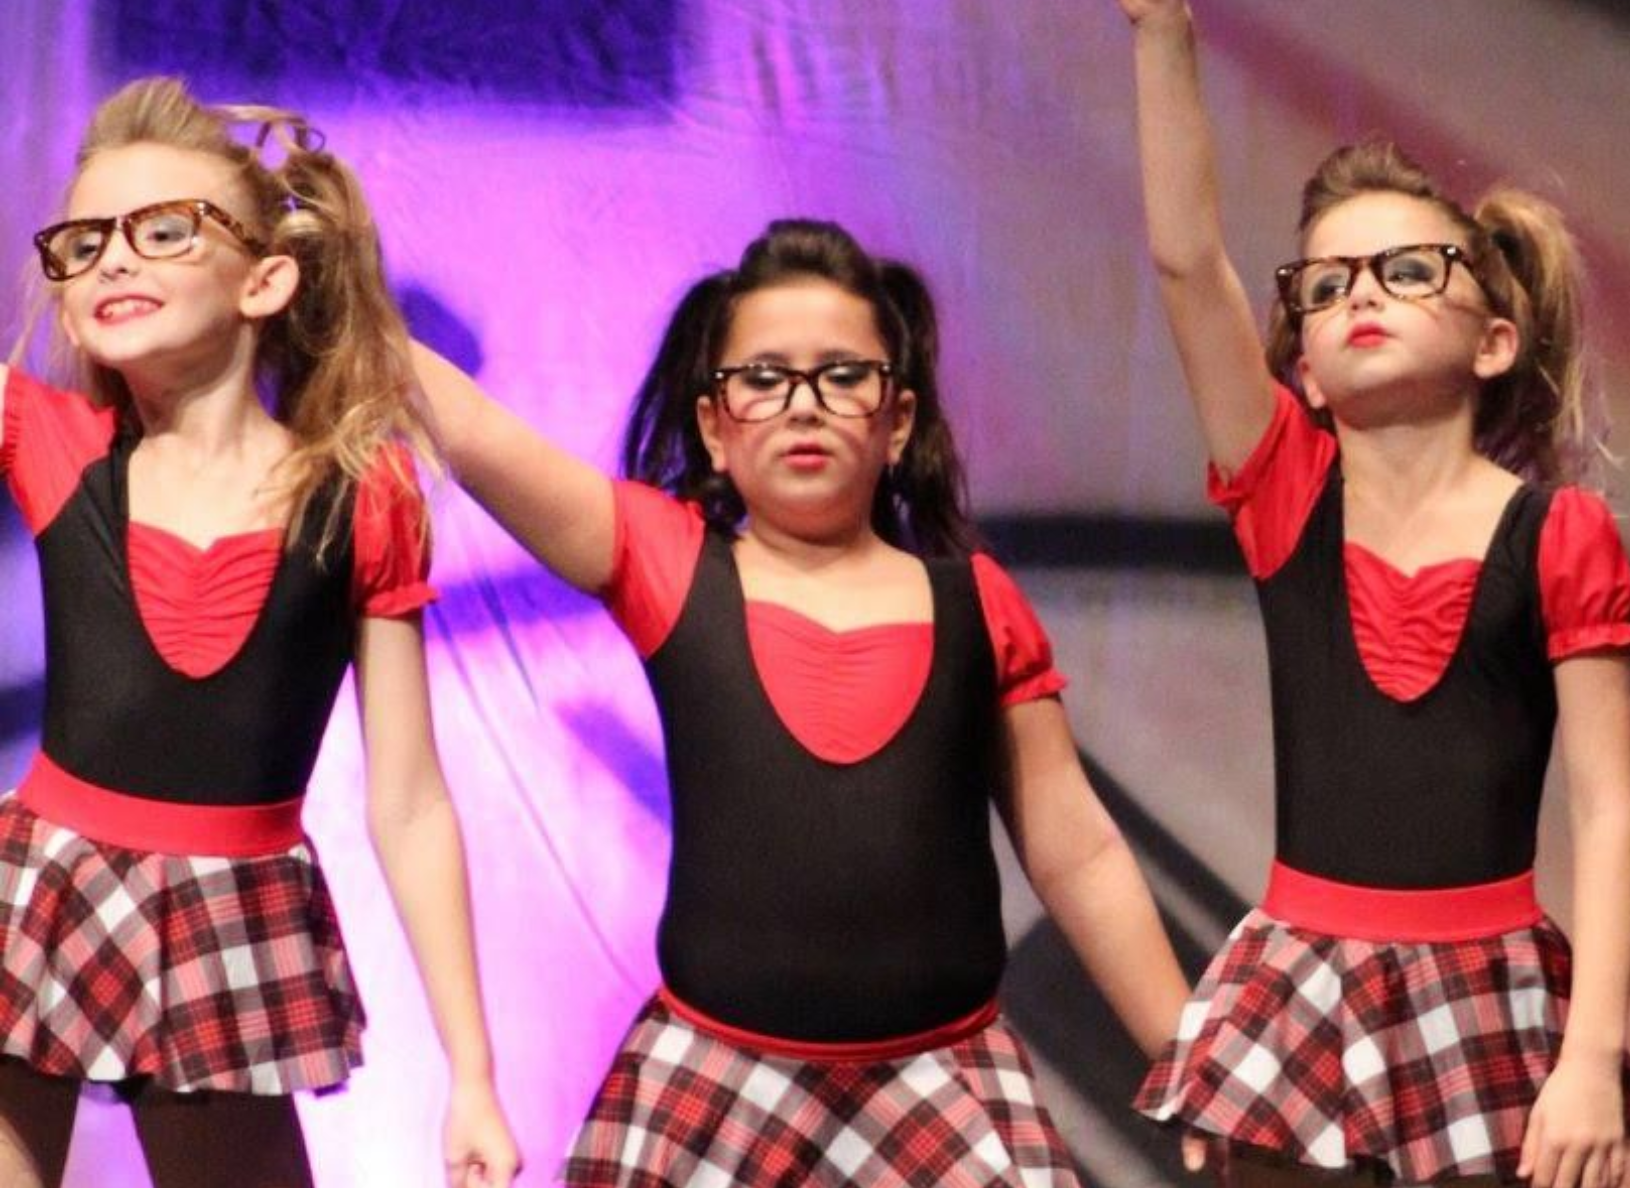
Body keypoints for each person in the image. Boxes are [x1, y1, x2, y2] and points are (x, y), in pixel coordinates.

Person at [410, 218, 1190, 1186]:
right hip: (715, 1075)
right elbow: (477, 434)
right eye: (763, 378)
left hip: (939, 1080)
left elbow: (1074, 847)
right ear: (713, 426)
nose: (803, 405)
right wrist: (325, 273)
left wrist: (1186, 1058)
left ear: (895, 422)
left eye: (841, 375)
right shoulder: (669, 564)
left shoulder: (974, 603)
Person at [1110, 6, 1630, 1187]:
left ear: (1493, 340)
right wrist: (1161, 33)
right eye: (1326, 283)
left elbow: (1607, 816)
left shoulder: (1557, 535)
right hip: (1297, 995)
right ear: (1301, 365)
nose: (1364, 293)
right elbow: (1181, 260)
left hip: (1489, 1001)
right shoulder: (1282, 495)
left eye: (1409, 271)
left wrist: (1588, 1052)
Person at [0, 77, 518, 1187]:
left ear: (266, 278)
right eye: (83, 242)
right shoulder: (50, 443)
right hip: (36, 898)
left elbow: (411, 798)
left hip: (230, 921)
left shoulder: (362, 496)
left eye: (163, 229)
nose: (113, 261)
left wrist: (470, 1071)